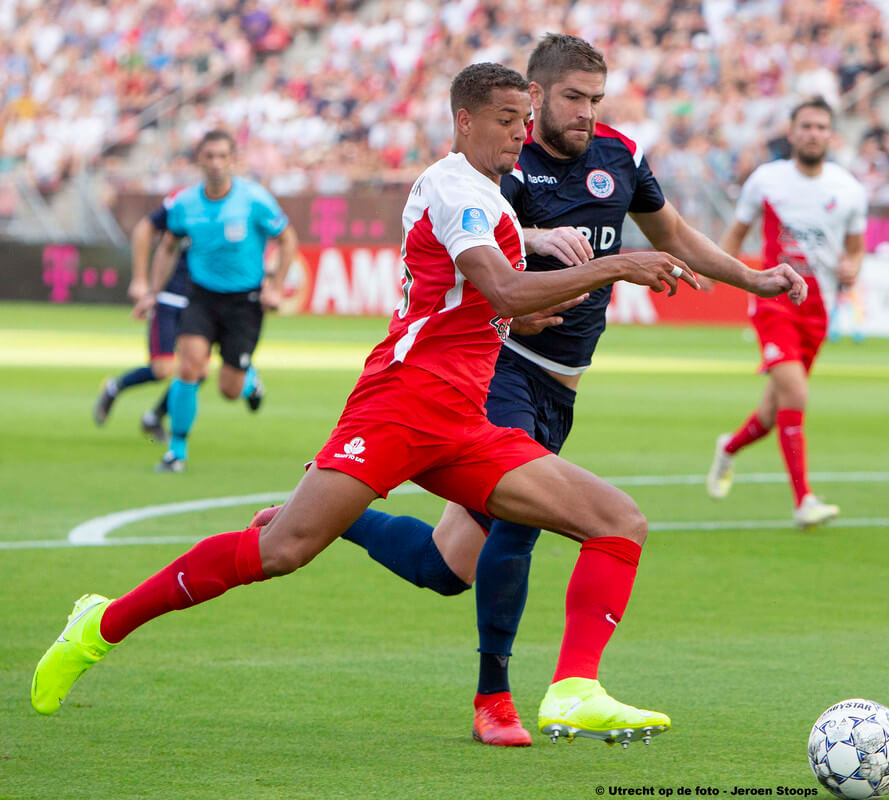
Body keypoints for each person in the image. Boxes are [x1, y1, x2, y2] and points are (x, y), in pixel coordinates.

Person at [32, 62, 710, 749]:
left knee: (616, 521)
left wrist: (523, 319)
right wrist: (617, 264)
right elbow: (502, 289)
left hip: (462, 422)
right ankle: (99, 625)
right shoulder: (458, 190)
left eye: (522, 122)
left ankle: (573, 690)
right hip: (400, 406)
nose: (518, 135)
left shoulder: (490, 197)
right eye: (505, 121)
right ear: (464, 121)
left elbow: (478, 306)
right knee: (282, 551)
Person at [250, 35, 808, 748]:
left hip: (562, 388)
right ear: (537, 97)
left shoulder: (621, 156)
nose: (584, 114)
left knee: (446, 567)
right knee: (522, 525)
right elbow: (485, 261)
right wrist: (544, 260)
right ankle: (500, 698)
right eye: (572, 98)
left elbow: (675, 234)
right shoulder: (503, 166)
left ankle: (335, 509)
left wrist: (753, 279)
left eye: (594, 100)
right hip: (499, 370)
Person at [706, 96, 868, 528]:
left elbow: (855, 250)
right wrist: (712, 272)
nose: (813, 134)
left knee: (775, 409)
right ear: (792, 132)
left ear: (830, 135)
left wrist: (854, 268)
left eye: (821, 127)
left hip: (820, 310)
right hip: (775, 299)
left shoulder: (849, 190)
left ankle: (729, 448)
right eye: (806, 126)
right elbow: (737, 234)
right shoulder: (767, 180)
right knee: (795, 396)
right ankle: (804, 501)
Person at [135, 129, 298, 472]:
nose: (215, 163)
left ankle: (250, 382)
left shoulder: (254, 200)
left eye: (222, 156)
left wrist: (276, 286)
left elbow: (287, 239)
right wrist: (152, 291)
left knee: (229, 388)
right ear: (199, 160)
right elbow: (167, 247)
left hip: (245, 301)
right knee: (190, 366)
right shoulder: (185, 203)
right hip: (202, 296)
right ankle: (176, 452)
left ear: (233, 160)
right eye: (209, 156)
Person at [92, 194, 190, 442]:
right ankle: (115, 386)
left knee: (195, 370)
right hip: (169, 296)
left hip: (202, 302)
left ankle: (155, 417)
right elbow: (153, 236)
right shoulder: (188, 206)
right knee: (163, 369)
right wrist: (147, 287)